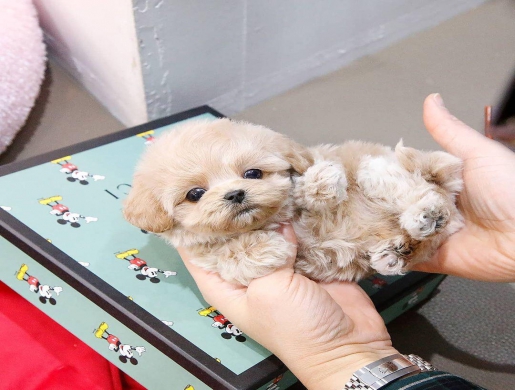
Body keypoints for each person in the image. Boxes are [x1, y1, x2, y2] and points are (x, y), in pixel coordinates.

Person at [177, 93, 515, 390]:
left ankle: (427, 202)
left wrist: (335, 359)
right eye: (196, 193)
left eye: (252, 174)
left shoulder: (300, 177)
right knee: (382, 252)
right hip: (368, 241)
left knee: (377, 175)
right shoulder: (209, 243)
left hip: (366, 189)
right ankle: (415, 236)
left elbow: (319, 177)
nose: (234, 192)